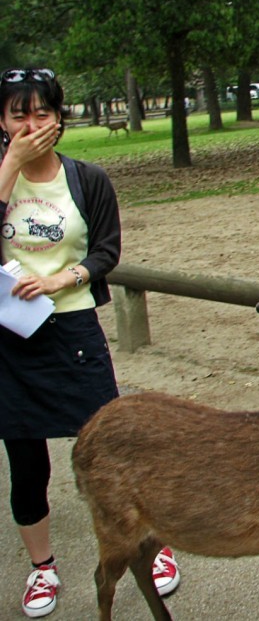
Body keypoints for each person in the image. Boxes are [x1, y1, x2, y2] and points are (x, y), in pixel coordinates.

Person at [0, 68, 180, 618]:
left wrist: (62, 278)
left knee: (117, 447)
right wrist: (7, 167)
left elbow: (107, 252)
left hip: (73, 331)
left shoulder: (87, 179)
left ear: (60, 118)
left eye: (42, 114)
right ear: (1, 121)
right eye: (17, 114)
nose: (31, 125)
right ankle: (42, 570)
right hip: (8, 337)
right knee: (25, 461)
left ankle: (155, 545)